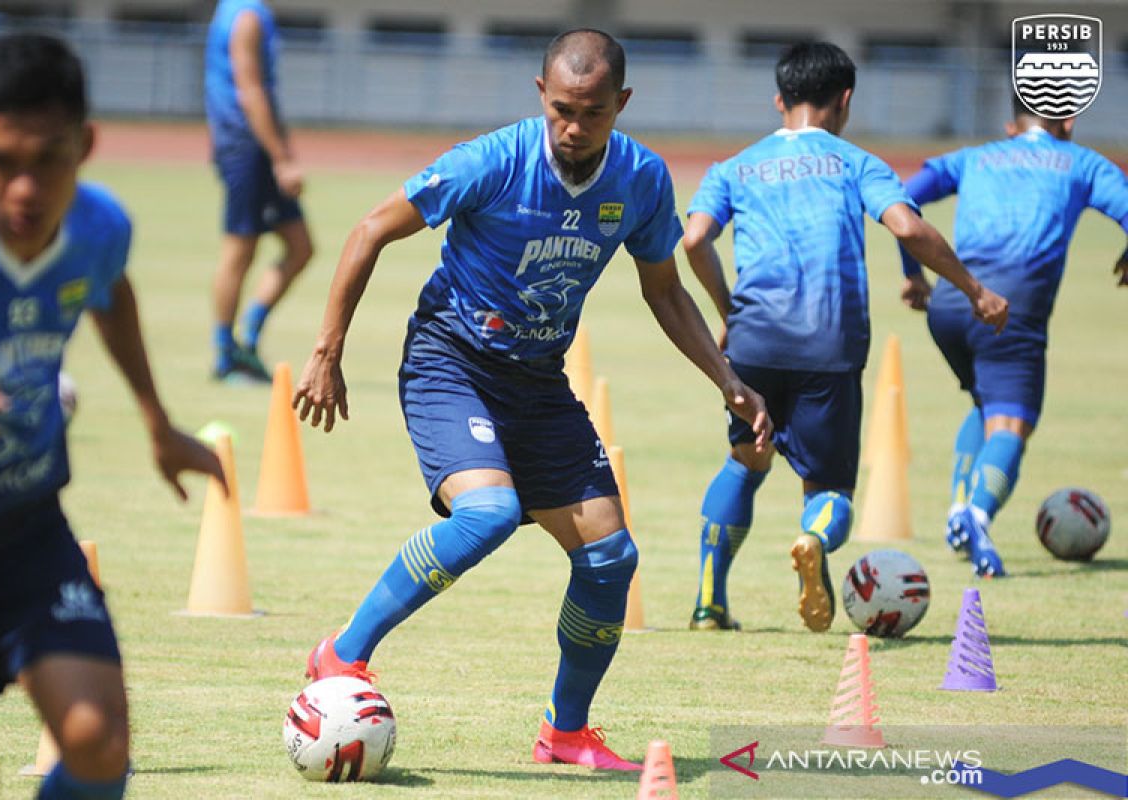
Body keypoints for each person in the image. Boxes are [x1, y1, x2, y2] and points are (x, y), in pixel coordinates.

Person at [292, 29, 770, 771]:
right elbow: (368, 232)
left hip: (539, 381)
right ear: (540, 95)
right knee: (489, 515)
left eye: (593, 112)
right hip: (449, 361)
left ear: (623, 104)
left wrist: (728, 378)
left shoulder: (641, 180)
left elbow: (665, 290)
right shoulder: (494, 160)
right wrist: (328, 351)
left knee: (611, 557)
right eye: (562, 111)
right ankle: (341, 653)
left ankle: (566, 733)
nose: (574, 129)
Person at [0, 33, 225, 799]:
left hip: (24, 526)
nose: (24, 189)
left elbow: (109, 290)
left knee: (99, 741)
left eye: (49, 160)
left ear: (87, 144)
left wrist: (156, 421)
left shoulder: (98, 229)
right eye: (0, 161)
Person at [683, 42, 1008, 633]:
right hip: (829, 344)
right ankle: (811, 538)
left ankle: (709, 604)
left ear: (779, 98)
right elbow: (906, 225)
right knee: (829, 488)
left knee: (745, 460)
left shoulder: (732, 167)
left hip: (753, 341)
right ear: (846, 100)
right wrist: (971, 288)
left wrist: (729, 308)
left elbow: (694, 239)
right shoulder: (855, 162)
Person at [898, 95, 1128, 577]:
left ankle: (958, 508)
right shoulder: (1083, 162)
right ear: (1068, 120)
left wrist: (914, 275)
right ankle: (977, 515)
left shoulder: (974, 157)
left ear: (1010, 125)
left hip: (950, 300)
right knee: (1011, 424)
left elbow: (904, 199)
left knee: (984, 402)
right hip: (1010, 305)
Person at [205, 0, 314, 383]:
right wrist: (281, 158)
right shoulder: (246, 16)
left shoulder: (243, 12)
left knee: (300, 246)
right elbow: (250, 91)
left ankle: (247, 338)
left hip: (253, 147)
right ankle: (225, 355)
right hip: (246, 146)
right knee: (239, 252)